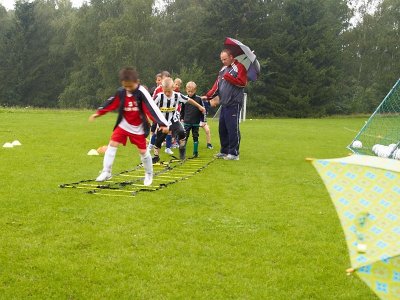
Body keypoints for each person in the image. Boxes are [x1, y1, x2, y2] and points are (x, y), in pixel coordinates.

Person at [89, 67, 169, 185]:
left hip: (138, 127)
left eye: (130, 86)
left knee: (142, 151)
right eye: (125, 86)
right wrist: (99, 112)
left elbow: (152, 108)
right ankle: (107, 172)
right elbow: (112, 103)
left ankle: (148, 174)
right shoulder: (121, 92)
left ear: (137, 82)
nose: (128, 89)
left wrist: (163, 124)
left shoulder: (142, 92)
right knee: (112, 144)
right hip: (123, 124)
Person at [202, 49, 247, 160]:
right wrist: (207, 96)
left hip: (234, 103)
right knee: (222, 128)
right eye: (221, 59)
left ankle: (234, 153)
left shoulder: (239, 67)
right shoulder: (223, 69)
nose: (223, 61)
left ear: (231, 57)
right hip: (224, 103)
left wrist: (229, 77)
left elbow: (242, 83)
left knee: (232, 128)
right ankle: (224, 150)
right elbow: (216, 86)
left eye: (225, 59)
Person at [152, 77, 205, 163]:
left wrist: (199, 106)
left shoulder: (177, 96)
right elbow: (151, 108)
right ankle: (156, 156)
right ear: (162, 88)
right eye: (165, 91)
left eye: (169, 91)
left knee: (182, 132)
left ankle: (182, 150)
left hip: (174, 120)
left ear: (173, 88)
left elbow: (189, 100)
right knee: (159, 140)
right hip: (162, 122)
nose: (167, 93)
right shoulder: (159, 97)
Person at [149, 70, 172, 151]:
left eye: (167, 79)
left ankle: (168, 148)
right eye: (164, 79)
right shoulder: (158, 89)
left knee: (169, 130)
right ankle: (151, 145)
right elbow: (153, 99)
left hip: (168, 113)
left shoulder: (171, 88)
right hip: (159, 113)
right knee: (156, 129)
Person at [182, 81, 204, 158]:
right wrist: (181, 118)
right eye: (189, 91)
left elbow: (203, 110)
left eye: (192, 91)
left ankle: (195, 152)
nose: (190, 93)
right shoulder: (184, 99)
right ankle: (183, 153)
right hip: (187, 121)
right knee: (185, 137)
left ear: (195, 90)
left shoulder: (199, 99)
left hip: (195, 122)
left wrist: (203, 121)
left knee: (195, 136)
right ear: (186, 90)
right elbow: (182, 110)